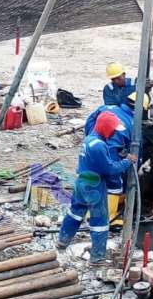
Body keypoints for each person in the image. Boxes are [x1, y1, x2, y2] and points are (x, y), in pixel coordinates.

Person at [57, 111, 138, 263]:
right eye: (113, 129)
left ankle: (62, 240)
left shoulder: (89, 139)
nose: (114, 132)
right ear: (106, 128)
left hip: (81, 181)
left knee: (75, 212)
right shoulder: (99, 146)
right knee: (99, 222)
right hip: (94, 185)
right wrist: (127, 161)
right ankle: (97, 257)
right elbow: (110, 169)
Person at [83, 92, 150, 225]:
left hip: (95, 144)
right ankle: (110, 217)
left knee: (95, 177)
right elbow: (137, 151)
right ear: (142, 109)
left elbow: (89, 121)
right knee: (114, 182)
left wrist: (93, 137)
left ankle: (92, 211)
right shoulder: (133, 123)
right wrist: (134, 165)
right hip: (112, 151)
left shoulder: (106, 108)